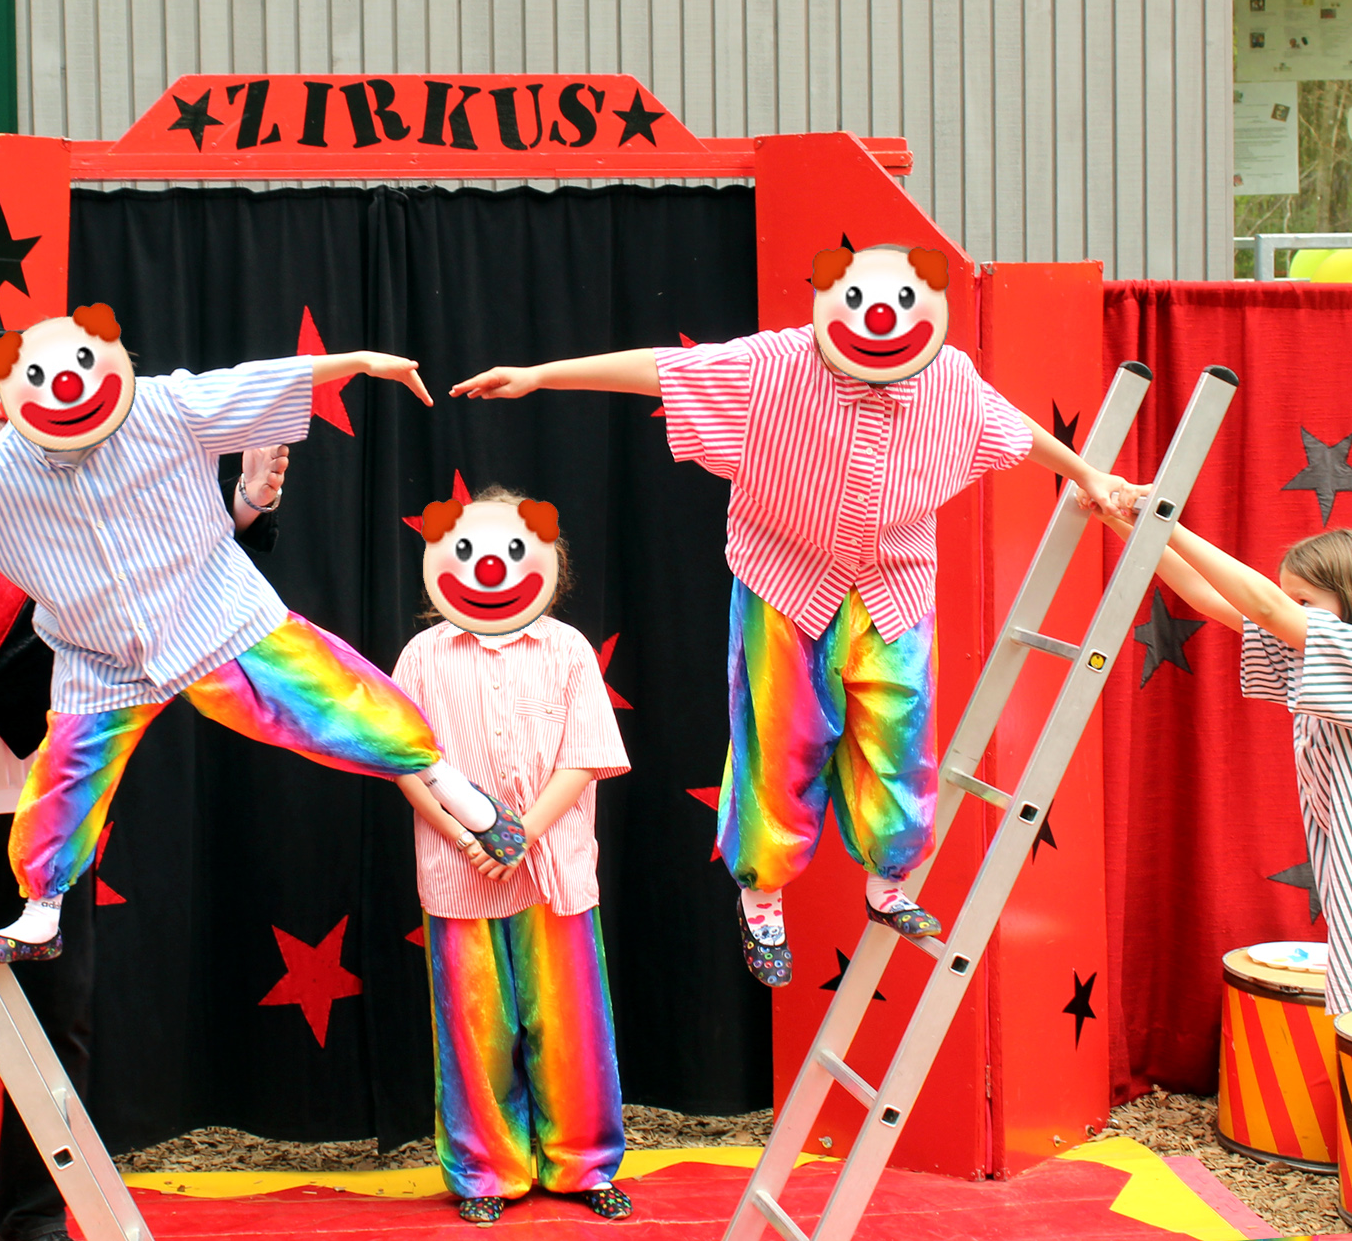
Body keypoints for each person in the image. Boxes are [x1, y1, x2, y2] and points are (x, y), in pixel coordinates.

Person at [451, 241, 1140, 986]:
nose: (881, 320)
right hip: (787, 584)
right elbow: (661, 368)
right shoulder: (773, 364)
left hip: (892, 586)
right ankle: (762, 898)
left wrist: (1087, 475)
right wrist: (543, 377)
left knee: (899, 733)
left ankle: (890, 886)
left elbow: (1010, 426)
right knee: (782, 739)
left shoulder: (951, 379)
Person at [0, 304, 520, 964]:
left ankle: (447, 781)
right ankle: (41, 912)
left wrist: (358, 361)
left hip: (214, 619)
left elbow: (257, 379)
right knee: (66, 776)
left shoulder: (166, 403)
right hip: (100, 656)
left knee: (329, 698)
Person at [0, 283, 287, 1241]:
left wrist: (247, 508)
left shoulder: (75, 480)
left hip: (45, 812)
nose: (7, 411)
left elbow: (174, 576)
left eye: (10, 393)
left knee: (56, 1030)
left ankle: (38, 1222)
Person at [394, 488, 632, 1225]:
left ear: (548, 564)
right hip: (455, 874)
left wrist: (521, 833)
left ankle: (584, 1164)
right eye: (466, 550)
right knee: (474, 1027)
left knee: (569, 1022)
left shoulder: (565, 650)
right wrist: (469, 839)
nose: (489, 566)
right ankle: (483, 1174)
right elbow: (403, 760)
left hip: (552, 866)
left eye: (508, 550)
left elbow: (586, 754)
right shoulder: (423, 655)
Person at [1095, 504, 1352, 1016]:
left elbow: (1267, 610)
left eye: (1303, 599)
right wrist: (1125, 520)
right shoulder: (1303, 648)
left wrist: (1170, 521)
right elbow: (1204, 594)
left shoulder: (1342, 649)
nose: (1283, 608)